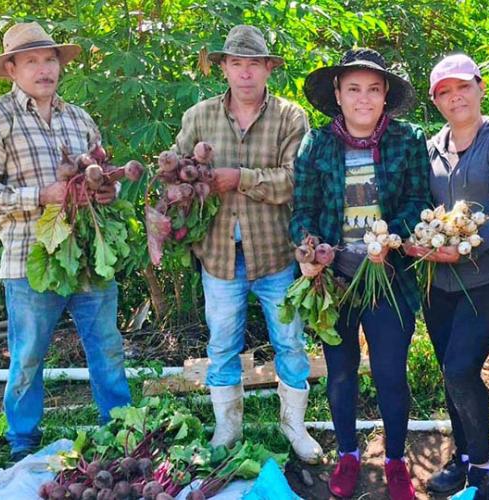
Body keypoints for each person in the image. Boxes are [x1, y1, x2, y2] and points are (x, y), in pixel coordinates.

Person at [0, 22, 131, 464]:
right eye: (33, 61)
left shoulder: (79, 118)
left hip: (90, 255)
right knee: (29, 354)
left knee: (108, 350)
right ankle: (22, 442)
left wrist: (107, 191)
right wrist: (38, 196)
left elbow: (102, 175)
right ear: (12, 69)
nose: (44, 68)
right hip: (29, 259)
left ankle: (121, 433)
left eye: (50, 59)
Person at [172, 25, 321, 463]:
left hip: (275, 253)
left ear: (268, 69)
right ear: (223, 68)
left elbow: (297, 180)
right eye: (236, 63)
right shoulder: (198, 117)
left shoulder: (290, 118)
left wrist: (241, 179)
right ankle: (228, 426)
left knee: (290, 342)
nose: (245, 73)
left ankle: (294, 424)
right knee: (221, 345)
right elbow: (176, 172)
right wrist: (183, 185)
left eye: (254, 64)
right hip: (218, 255)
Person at [291, 48, 431, 500]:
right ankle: (348, 454)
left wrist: (390, 237)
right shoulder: (318, 144)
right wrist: (308, 246)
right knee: (341, 372)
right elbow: (303, 210)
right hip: (334, 282)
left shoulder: (407, 140)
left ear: (385, 93)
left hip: (390, 276)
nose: (364, 99)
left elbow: (418, 203)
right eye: (353, 89)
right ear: (338, 93)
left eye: (373, 89)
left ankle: (394, 458)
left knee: (391, 372)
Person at [405, 53, 489, 499]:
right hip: (438, 284)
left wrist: (462, 250)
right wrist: (414, 241)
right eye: (444, 91)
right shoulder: (431, 146)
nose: (455, 96)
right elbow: (419, 205)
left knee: (461, 368)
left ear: (480, 87)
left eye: (463, 87)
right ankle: (463, 459)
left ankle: (482, 464)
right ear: (435, 100)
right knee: (449, 370)